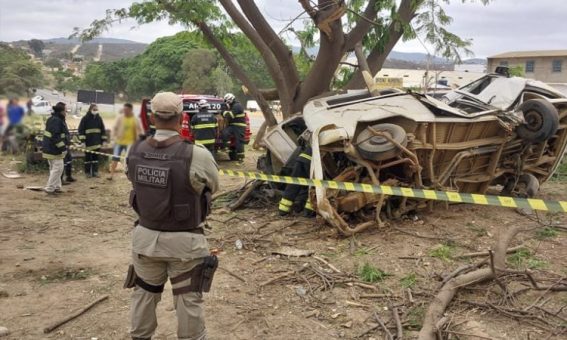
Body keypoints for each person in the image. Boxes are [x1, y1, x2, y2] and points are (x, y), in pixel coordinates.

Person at [125, 92, 219, 340]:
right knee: (188, 299)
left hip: (145, 239)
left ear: (152, 118)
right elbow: (213, 184)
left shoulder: (135, 150)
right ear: (182, 118)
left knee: (144, 294)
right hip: (185, 243)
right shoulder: (196, 154)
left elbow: (133, 179)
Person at [278, 131, 315, 217]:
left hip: (301, 159)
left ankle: (282, 210)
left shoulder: (318, 131)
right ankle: (308, 212)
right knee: (315, 186)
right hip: (314, 162)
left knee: (293, 185)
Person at [108, 103, 143, 180]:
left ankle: (129, 175)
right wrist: (112, 138)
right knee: (115, 158)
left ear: (130, 110)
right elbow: (114, 128)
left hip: (130, 143)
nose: (125, 111)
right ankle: (111, 174)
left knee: (129, 160)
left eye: (126, 110)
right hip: (119, 142)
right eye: (124, 110)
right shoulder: (120, 118)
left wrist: (140, 140)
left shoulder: (135, 119)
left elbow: (140, 130)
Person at [42, 102, 69, 195]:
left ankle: (57, 187)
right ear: (61, 111)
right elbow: (56, 136)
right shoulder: (56, 120)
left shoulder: (55, 119)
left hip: (50, 148)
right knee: (58, 168)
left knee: (55, 168)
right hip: (53, 149)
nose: (66, 112)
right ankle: (49, 188)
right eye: (66, 110)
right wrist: (63, 148)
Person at [78, 104, 107, 177]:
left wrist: (104, 140)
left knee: (95, 158)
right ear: (90, 110)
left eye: (96, 109)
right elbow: (81, 130)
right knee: (88, 158)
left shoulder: (99, 118)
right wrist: (82, 141)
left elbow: (103, 130)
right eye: (94, 109)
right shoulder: (85, 118)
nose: (95, 111)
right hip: (88, 143)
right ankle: (87, 172)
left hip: (97, 142)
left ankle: (95, 172)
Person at [221, 93, 246, 162]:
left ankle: (241, 159)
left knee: (239, 142)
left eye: (227, 101)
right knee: (225, 133)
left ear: (231, 99)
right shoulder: (232, 106)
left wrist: (223, 112)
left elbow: (230, 115)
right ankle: (227, 147)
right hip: (233, 125)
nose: (227, 103)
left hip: (240, 126)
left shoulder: (237, 106)